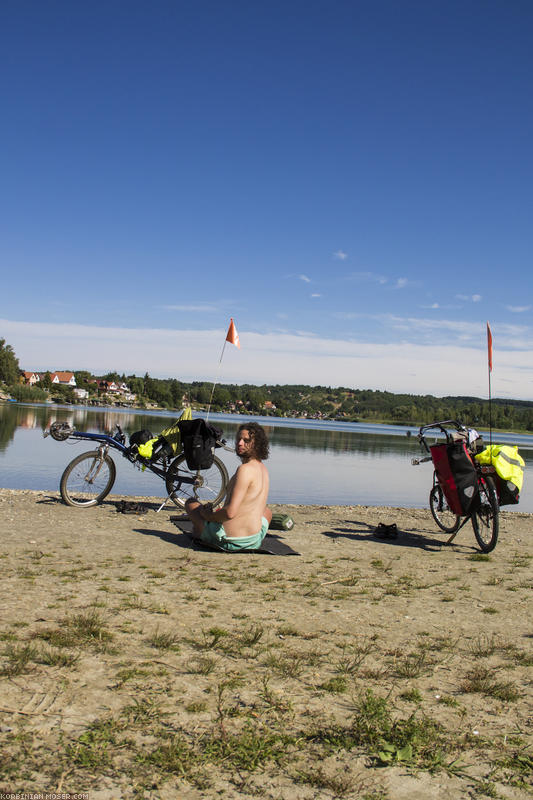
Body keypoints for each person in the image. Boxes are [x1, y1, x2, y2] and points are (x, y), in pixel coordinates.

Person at [185, 422, 272, 552]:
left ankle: (201, 532)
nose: (240, 443)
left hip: (230, 540)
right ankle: (203, 529)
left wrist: (208, 516)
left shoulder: (244, 470)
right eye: (238, 439)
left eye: (246, 441)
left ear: (257, 444)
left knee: (191, 503)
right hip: (254, 540)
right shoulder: (263, 469)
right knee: (267, 512)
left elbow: (230, 513)